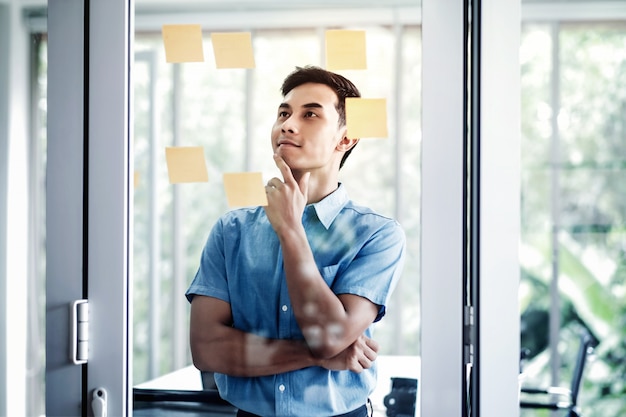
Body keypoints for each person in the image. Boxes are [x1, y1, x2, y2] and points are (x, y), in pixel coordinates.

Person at [185, 65, 406, 417]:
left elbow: (329, 337)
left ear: (345, 138)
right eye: (284, 113)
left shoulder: (377, 235)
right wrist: (314, 355)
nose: (287, 124)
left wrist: (290, 229)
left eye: (311, 114)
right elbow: (207, 350)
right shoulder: (232, 230)